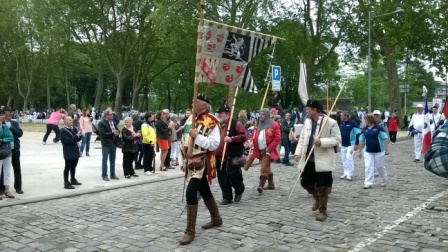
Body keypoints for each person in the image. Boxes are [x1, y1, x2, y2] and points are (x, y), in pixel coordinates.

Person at [179, 93, 222, 245]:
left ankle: (190, 231)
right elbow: (184, 139)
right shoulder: (190, 119)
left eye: (194, 101)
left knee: (191, 192)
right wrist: (183, 158)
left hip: (202, 161)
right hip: (190, 161)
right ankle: (216, 218)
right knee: (204, 190)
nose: (191, 102)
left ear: (203, 104)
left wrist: (197, 137)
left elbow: (215, 144)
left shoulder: (212, 121)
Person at [294, 100, 341, 222]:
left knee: (323, 187)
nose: (306, 111)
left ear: (315, 110)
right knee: (305, 182)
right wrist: (298, 153)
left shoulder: (330, 122)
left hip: (323, 160)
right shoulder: (307, 122)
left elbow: (337, 139)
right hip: (308, 159)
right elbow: (303, 139)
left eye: (308, 109)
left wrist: (322, 142)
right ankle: (317, 198)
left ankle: (322, 211)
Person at [213, 103, 246, 205]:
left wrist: (232, 139)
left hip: (232, 155)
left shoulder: (236, 124)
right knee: (222, 177)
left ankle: (239, 189)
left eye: (221, 113)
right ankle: (227, 196)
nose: (219, 115)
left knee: (232, 174)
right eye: (218, 113)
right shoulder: (216, 125)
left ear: (228, 114)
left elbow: (244, 136)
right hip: (218, 156)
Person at [246, 108, 281, 193]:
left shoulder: (274, 124)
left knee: (264, 167)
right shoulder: (257, 124)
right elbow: (252, 136)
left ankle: (261, 186)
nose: (260, 116)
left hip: (268, 150)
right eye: (260, 114)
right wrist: (251, 142)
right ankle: (271, 184)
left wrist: (269, 148)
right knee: (267, 167)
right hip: (259, 150)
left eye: (262, 114)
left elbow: (277, 138)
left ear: (267, 115)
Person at [357, 114, 390, 189]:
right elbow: (361, 140)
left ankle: (384, 178)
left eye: (365, 119)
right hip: (368, 151)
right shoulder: (364, 129)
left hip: (379, 151)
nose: (364, 121)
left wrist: (387, 149)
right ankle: (368, 182)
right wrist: (359, 151)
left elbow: (385, 138)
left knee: (379, 167)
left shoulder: (379, 128)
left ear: (369, 120)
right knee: (368, 166)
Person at [0, 107, 24, 194]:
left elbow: (19, 134)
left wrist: (11, 128)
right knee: (3, 169)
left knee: (17, 168)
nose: (10, 114)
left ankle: (18, 187)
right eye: (8, 112)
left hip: (15, 149)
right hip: (3, 150)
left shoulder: (14, 123)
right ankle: (2, 188)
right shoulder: (1, 124)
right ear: (3, 113)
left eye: (11, 112)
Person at [60, 116, 83, 189]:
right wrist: (76, 135)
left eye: (71, 120)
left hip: (75, 150)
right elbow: (68, 141)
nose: (71, 121)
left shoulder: (73, 129)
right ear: (65, 121)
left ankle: (73, 179)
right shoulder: (63, 131)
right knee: (67, 167)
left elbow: (77, 139)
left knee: (73, 166)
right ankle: (66, 182)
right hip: (68, 151)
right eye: (69, 120)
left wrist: (80, 134)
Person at [98, 109, 120, 181]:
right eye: (111, 114)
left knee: (112, 159)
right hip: (106, 143)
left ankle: (113, 174)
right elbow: (102, 134)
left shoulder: (113, 122)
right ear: (106, 115)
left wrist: (117, 132)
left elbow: (116, 129)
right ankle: (104, 175)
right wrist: (113, 133)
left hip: (113, 143)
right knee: (105, 159)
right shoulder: (102, 123)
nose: (112, 115)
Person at [338, 111, 360, 181]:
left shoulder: (353, 123)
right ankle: (345, 172)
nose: (340, 117)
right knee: (343, 159)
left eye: (341, 115)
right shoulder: (341, 123)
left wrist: (357, 143)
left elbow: (358, 133)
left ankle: (350, 173)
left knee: (349, 158)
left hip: (351, 144)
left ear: (345, 116)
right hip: (343, 144)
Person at [0, 108, 15, 199]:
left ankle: (7, 190)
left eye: (2, 115)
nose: (2, 116)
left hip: (7, 151)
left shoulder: (5, 126)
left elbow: (11, 137)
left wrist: (2, 140)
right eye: (1, 115)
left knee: (7, 171)